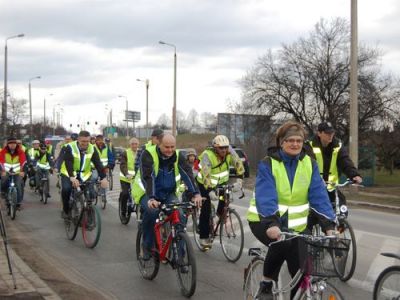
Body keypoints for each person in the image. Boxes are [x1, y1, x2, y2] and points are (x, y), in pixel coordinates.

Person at [246, 121, 336, 300]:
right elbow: (266, 196)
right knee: (282, 242)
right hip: (264, 220)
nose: (295, 144)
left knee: (302, 271)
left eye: (299, 140)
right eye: (290, 140)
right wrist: (272, 223)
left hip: (297, 227)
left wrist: (328, 224)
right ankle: (266, 284)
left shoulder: (309, 164)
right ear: (282, 142)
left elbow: (319, 195)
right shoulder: (268, 164)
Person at [132, 133, 202, 260]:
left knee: (179, 215)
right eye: (166, 147)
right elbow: (148, 178)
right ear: (159, 144)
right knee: (152, 212)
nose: (170, 150)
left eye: (172, 147)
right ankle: (147, 246)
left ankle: (180, 256)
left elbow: (188, 174)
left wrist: (195, 194)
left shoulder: (178, 156)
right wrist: (152, 198)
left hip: (168, 193)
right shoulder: (148, 154)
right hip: (146, 192)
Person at [196, 135, 245, 248]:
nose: (224, 150)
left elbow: (239, 164)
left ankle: (219, 214)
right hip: (204, 183)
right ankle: (203, 236)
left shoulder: (230, 152)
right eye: (221, 148)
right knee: (206, 206)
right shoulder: (207, 155)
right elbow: (206, 175)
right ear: (215, 148)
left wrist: (239, 180)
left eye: (225, 147)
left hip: (221, 183)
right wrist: (209, 191)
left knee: (224, 198)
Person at [305, 122, 362, 207]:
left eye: (332, 133)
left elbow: (345, 160)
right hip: (313, 187)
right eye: (327, 133)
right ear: (319, 133)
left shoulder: (337, 146)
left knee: (341, 204)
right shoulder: (309, 146)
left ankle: (341, 219)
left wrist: (354, 175)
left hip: (331, 187)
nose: (330, 135)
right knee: (313, 212)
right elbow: (306, 164)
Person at [59, 131, 108, 218]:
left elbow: (98, 164)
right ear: (78, 140)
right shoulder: (70, 147)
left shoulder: (92, 148)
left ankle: (88, 216)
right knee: (66, 189)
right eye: (83, 141)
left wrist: (104, 178)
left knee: (89, 194)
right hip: (68, 173)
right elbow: (68, 163)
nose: (85, 144)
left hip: (84, 175)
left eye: (87, 141)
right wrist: (72, 177)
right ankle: (66, 210)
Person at [0, 137, 27, 209]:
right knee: (4, 179)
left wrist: (22, 171)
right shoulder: (3, 151)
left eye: (14, 143)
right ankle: (3, 192)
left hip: (17, 172)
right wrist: (3, 171)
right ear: (8, 144)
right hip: (6, 171)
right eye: (10, 143)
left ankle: (18, 202)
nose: (12, 145)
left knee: (18, 184)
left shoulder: (20, 151)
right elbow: (1, 162)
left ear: (16, 144)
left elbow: (23, 162)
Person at [119, 137, 139, 215]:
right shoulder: (125, 153)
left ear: (138, 144)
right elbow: (123, 165)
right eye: (132, 144)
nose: (134, 146)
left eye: (136, 144)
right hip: (125, 178)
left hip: (137, 178)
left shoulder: (141, 152)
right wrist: (126, 174)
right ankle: (123, 211)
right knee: (125, 193)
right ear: (130, 145)